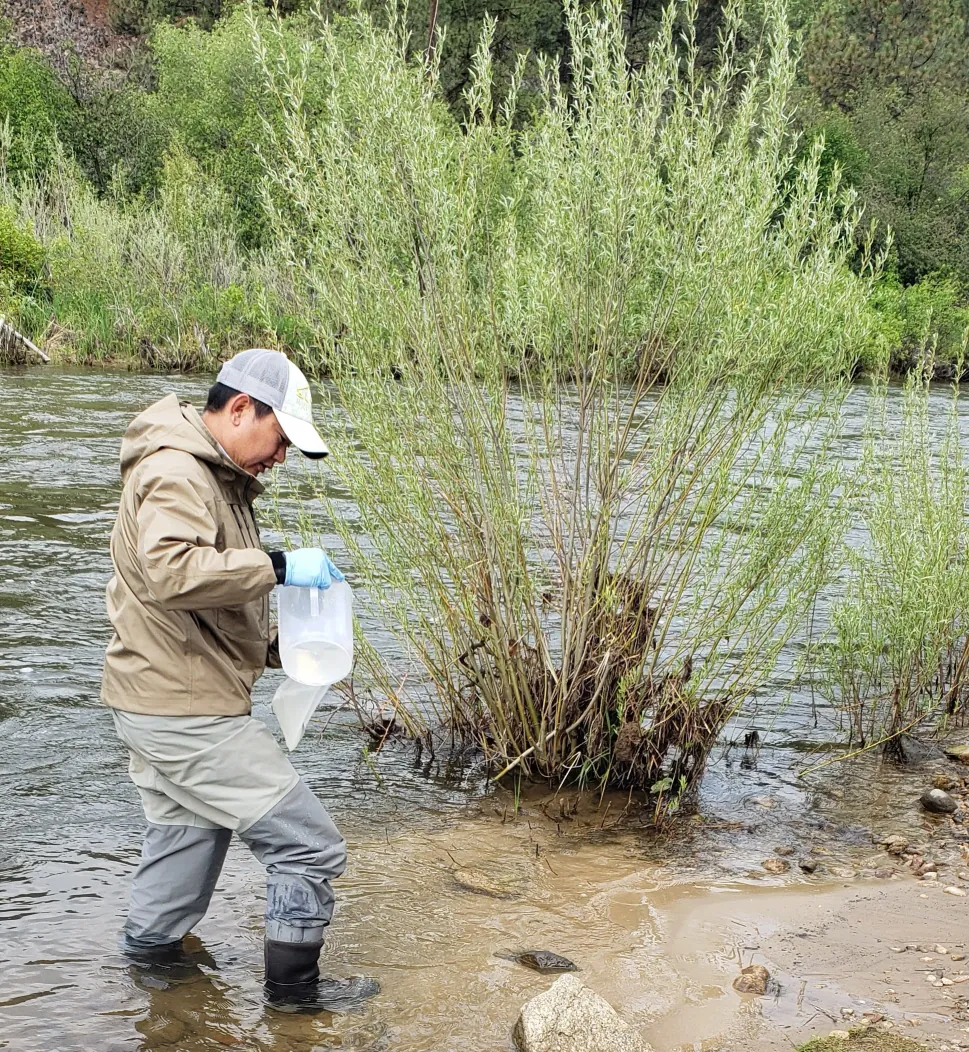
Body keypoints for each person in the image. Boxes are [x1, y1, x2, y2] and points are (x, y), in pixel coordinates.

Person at [101, 348, 378, 1013]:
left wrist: (291, 646)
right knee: (309, 847)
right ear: (239, 409)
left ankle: (154, 986)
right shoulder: (177, 472)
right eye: (280, 437)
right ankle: (294, 1007)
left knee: (185, 846)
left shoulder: (210, 476)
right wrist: (278, 564)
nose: (280, 456)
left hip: (159, 699)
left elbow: (204, 598)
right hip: (184, 711)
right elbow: (172, 573)